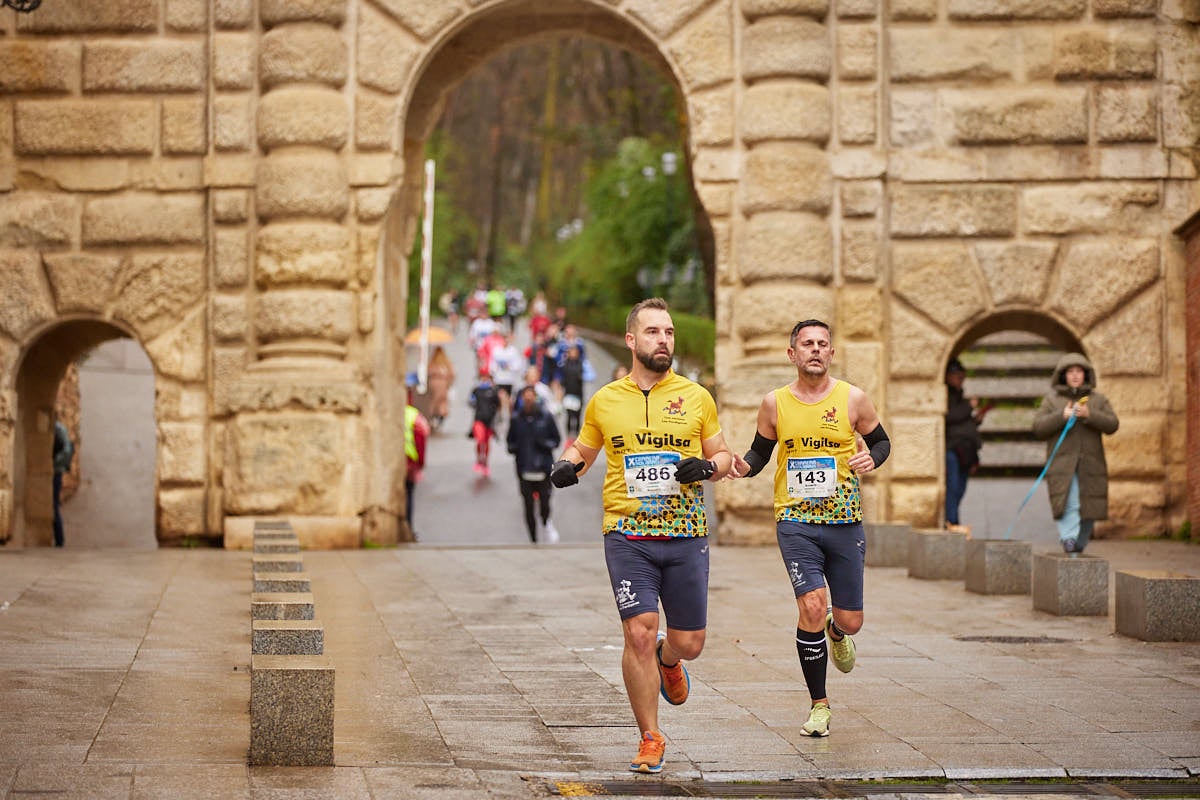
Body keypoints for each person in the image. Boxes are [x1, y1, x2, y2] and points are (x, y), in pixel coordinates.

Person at [550, 297, 733, 774]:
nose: (664, 340)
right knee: (637, 631)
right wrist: (567, 465)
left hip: (685, 532)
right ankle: (650, 736)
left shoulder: (696, 397)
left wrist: (708, 466)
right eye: (653, 332)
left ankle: (669, 660)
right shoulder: (606, 400)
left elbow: (723, 456)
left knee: (690, 641)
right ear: (632, 340)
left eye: (669, 332)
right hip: (627, 533)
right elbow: (584, 448)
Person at [729, 319, 890, 739]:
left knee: (851, 620)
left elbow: (881, 442)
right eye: (807, 344)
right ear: (792, 354)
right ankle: (819, 704)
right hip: (795, 521)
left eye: (822, 344)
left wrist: (873, 458)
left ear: (831, 353)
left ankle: (837, 631)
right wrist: (741, 467)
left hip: (844, 521)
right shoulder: (774, 403)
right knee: (812, 606)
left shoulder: (853, 399)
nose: (815, 349)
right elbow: (759, 453)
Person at [1031, 353, 1119, 554]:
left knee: (1089, 508)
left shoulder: (1098, 400)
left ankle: (1078, 542)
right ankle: (1068, 538)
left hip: (1091, 465)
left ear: (1086, 374)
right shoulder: (1052, 401)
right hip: (1062, 465)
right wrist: (1061, 416)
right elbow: (1038, 428)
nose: (1075, 375)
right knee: (1068, 502)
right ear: (1063, 375)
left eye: (1079, 371)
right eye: (1070, 371)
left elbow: (1113, 424)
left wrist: (1090, 415)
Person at [506, 385, 562, 544]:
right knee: (528, 505)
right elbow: (510, 442)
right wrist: (516, 448)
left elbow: (556, 440)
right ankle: (533, 539)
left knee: (545, 501)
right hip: (524, 469)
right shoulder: (517, 419)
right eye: (525, 397)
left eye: (531, 396)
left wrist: (544, 443)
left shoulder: (546, 417)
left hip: (543, 468)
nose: (528, 400)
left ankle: (545, 523)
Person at [944, 358, 990, 534]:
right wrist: (968, 407)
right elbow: (950, 416)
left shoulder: (958, 396)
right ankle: (951, 522)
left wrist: (975, 419)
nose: (960, 380)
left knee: (960, 488)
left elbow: (961, 421)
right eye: (957, 376)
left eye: (962, 377)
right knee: (953, 486)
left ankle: (953, 521)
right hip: (953, 448)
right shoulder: (947, 395)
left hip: (966, 449)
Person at [403, 390, 430, 535]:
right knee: (408, 494)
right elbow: (421, 438)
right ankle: (407, 527)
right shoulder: (414, 415)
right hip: (410, 460)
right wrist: (421, 462)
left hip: (397, 460)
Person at [468, 373, 501, 478]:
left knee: (486, 442)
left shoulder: (493, 391)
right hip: (479, 419)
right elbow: (471, 402)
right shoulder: (476, 390)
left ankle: (485, 462)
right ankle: (479, 460)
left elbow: (498, 405)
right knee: (480, 439)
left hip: (489, 421)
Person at [52, 417, 74, 548]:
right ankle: (58, 539)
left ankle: (59, 540)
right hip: (55, 469)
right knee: (52, 504)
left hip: (56, 471)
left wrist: (53, 464)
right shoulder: (58, 427)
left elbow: (66, 450)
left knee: (53, 504)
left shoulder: (58, 428)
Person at [558, 344, 586, 444]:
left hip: (578, 394)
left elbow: (586, 376)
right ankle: (569, 437)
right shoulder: (565, 365)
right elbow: (561, 381)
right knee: (569, 416)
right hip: (568, 393)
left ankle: (577, 436)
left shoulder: (581, 364)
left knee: (577, 416)